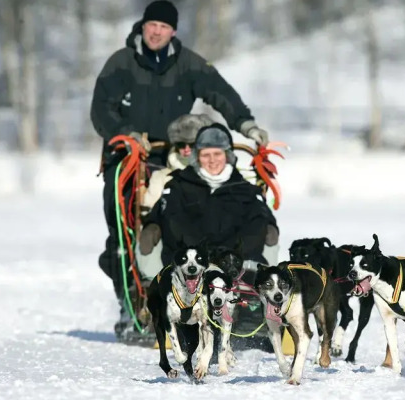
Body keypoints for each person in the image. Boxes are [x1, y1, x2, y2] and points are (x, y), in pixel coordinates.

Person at [90, 0, 271, 339]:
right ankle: (131, 307)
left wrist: (245, 124)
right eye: (151, 25)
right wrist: (126, 134)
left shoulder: (188, 63)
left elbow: (221, 93)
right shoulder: (122, 62)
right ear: (143, 27)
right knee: (123, 230)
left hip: (178, 151)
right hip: (128, 156)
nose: (156, 31)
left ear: (173, 31)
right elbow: (101, 110)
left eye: (163, 26)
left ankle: (226, 297)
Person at [141, 122, 279, 353]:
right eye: (206, 155)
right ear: (197, 156)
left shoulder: (245, 190)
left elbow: (261, 222)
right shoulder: (178, 186)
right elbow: (165, 219)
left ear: (227, 155)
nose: (212, 160)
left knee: (267, 235)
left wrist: (237, 251)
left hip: (236, 261)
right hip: (191, 262)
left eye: (217, 154)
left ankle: (251, 316)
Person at [135, 114, 213, 281]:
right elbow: (148, 213)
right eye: (180, 145)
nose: (185, 150)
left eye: (191, 144)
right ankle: (154, 282)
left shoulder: (218, 174)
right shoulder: (162, 177)